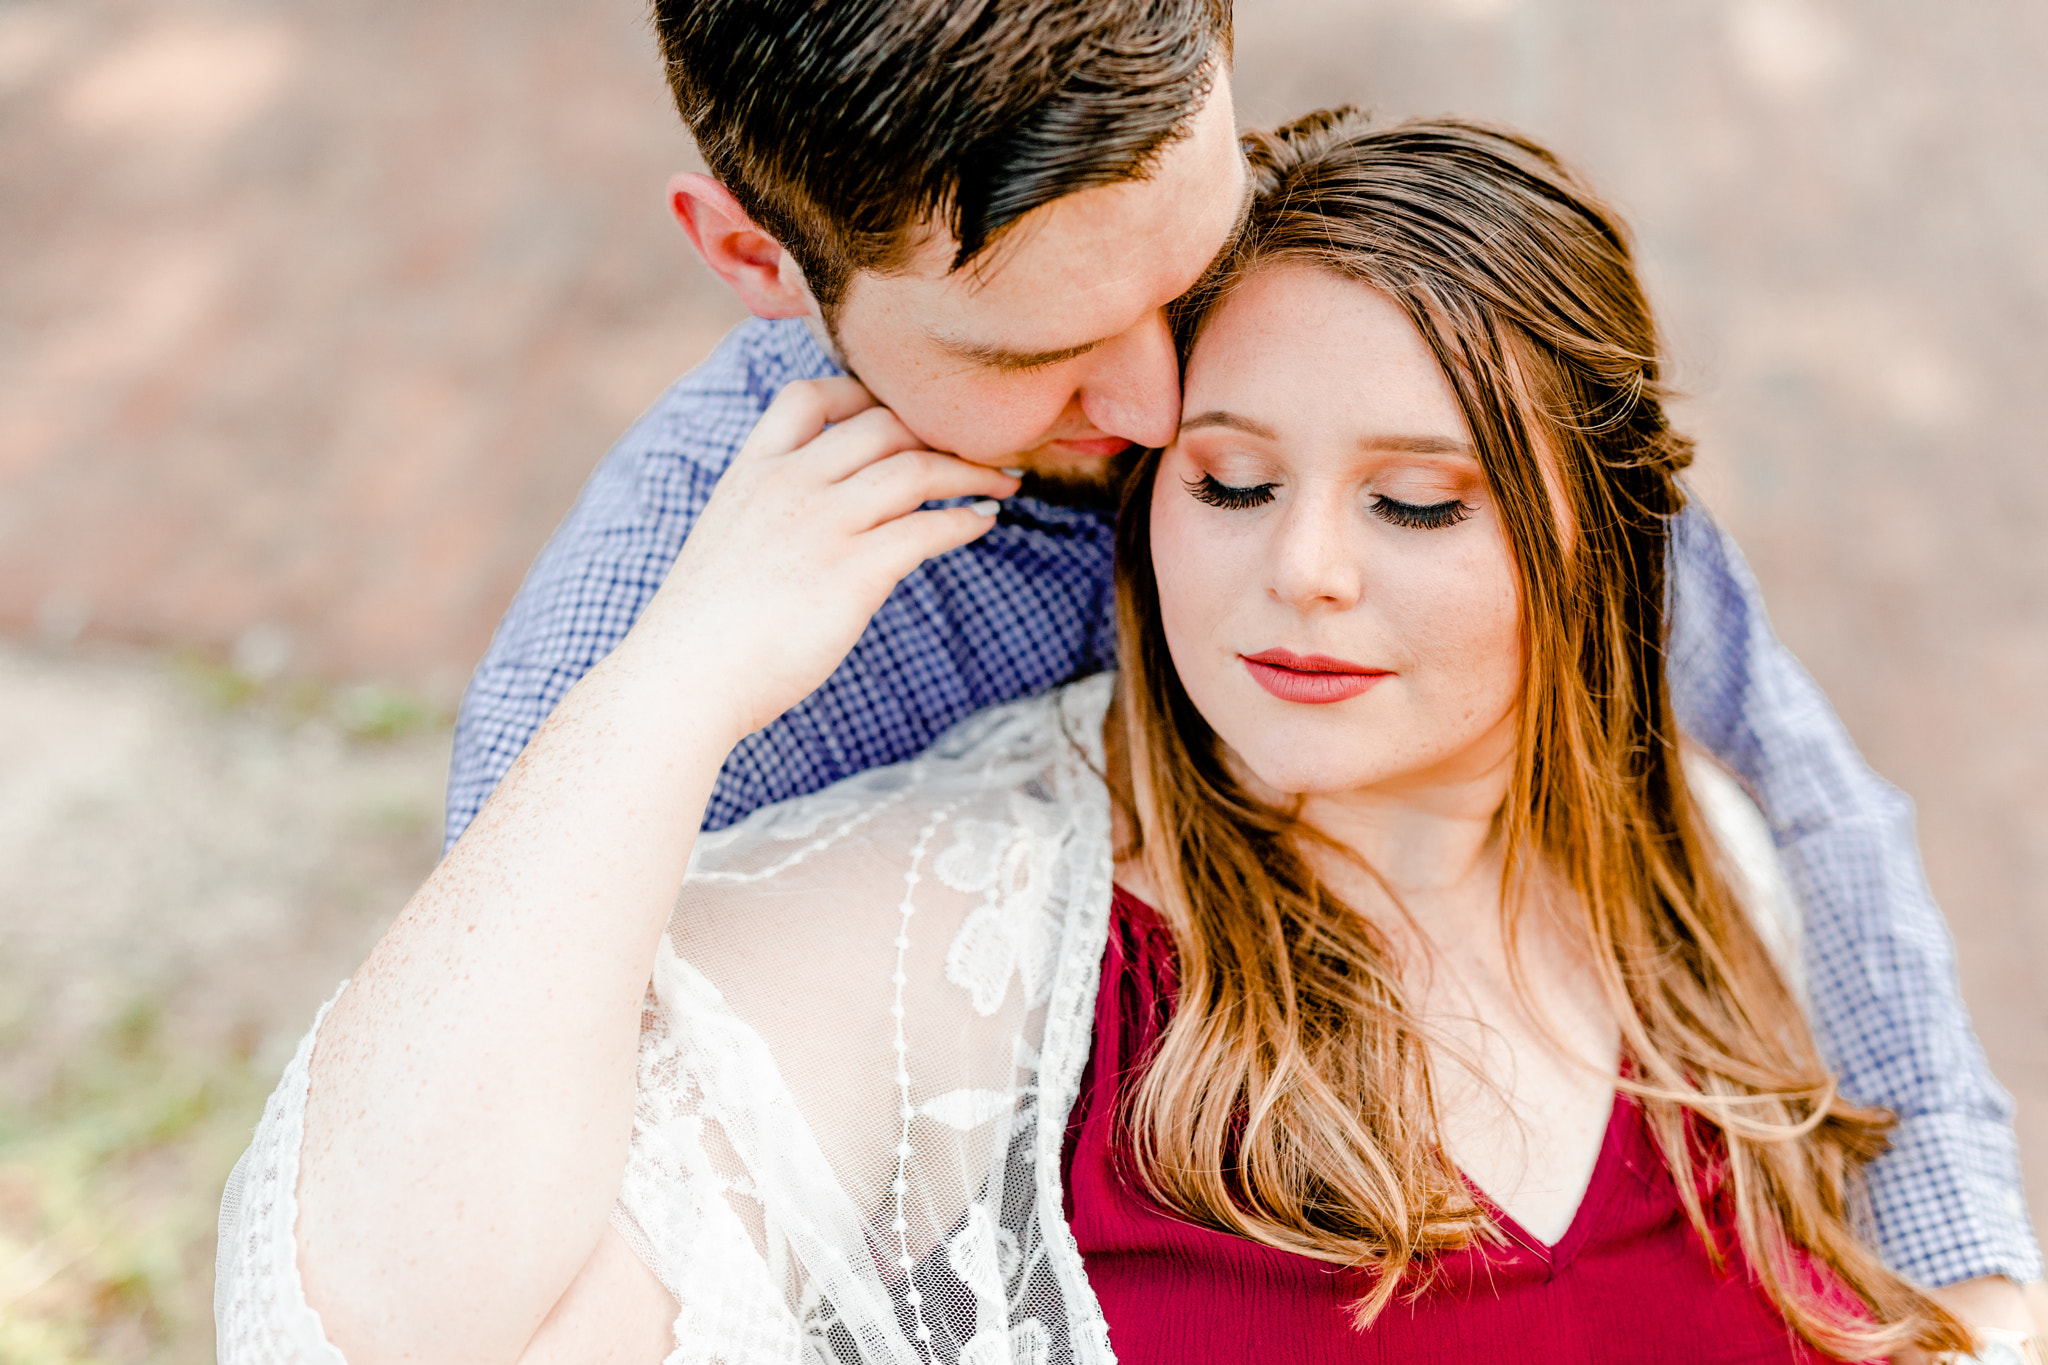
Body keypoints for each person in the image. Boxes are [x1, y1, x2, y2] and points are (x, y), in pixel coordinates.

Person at [217, 113, 2041, 1363]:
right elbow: (393, 1307)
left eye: (1417, 506)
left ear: (1598, 549)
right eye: (1228, 480)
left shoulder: (1713, 873)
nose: (1297, 575)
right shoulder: (986, 926)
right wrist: (683, 679)